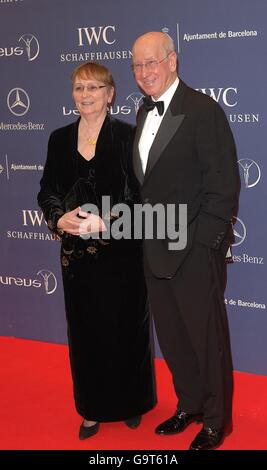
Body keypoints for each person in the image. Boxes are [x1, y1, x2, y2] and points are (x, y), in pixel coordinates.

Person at [131, 32, 240, 450]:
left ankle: (216, 419)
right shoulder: (143, 112)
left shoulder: (201, 110)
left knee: (205, 336)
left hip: (194, 248)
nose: (144, 73)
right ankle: (189, 404)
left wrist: (205, 244)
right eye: (137, 66)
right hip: (153, 246)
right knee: (174, 336)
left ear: (172, 61)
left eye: (152, 62)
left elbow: (223, 183)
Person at [37, 61, 156, 440]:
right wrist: (59, 218)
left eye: (93, 88)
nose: (85, 95)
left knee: (126, 330)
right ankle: (91, 409)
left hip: (120, 255)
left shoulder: (127, 136)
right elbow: (47, 190)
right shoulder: (58, 138)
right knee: (85, 332)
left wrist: (106, 221)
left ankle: (131, 403)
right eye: (79, 88)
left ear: (110, 94)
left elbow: (142, 196)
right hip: (77, 259)